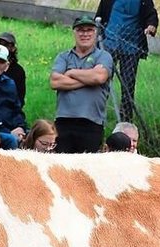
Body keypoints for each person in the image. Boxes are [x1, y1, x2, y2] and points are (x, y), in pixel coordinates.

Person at [49, 16, 112, 154]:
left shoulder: (103, 56)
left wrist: (70, 72)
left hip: (92, 122)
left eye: (89, 30)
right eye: (80, 30)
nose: (85, 34)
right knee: (62, 167)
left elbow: (98, 77)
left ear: (95, 33)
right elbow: (55, 81)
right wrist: (87, 79)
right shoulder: (63, 57)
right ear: (74, 32)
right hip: (64, 122)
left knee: (87, 169)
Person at [97, 0, 156, 124]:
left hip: (131, 47)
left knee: (128, 86)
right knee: (102, 81)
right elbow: (99, 15)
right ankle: (97, 116)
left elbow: (151, 14)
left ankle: (126, 122)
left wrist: (151, 25)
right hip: (109, 44)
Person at [0, 30, 25, 105]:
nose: (1, 47)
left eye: (6, 45)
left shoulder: (18, 71)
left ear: (13, 48)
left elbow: (20, 97)